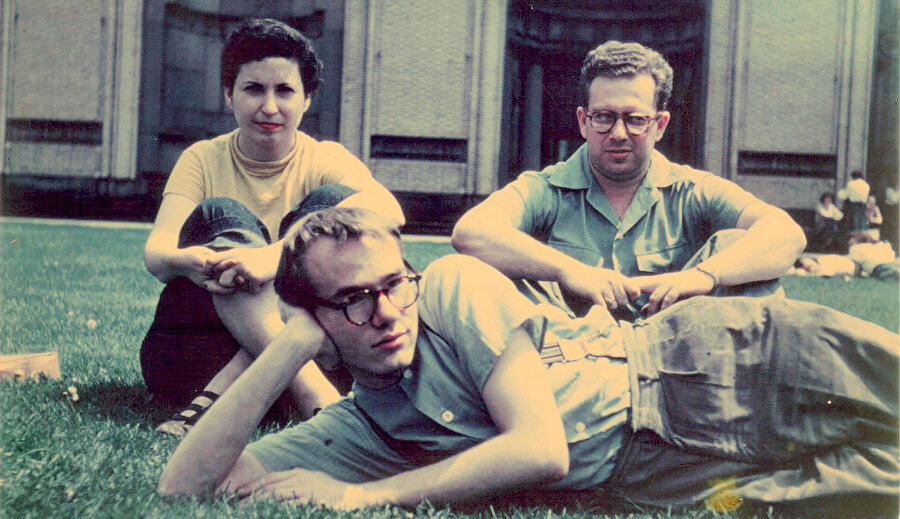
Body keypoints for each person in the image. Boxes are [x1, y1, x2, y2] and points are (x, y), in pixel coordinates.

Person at [157, 207, 898, 511]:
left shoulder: (447, 286)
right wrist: (286, 344)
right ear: (317, 316)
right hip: (669, 476)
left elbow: (539, 449)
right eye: (352, 300)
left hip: (714, 361)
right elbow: (184, 486)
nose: (385, 312)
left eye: (391, 285)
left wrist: (362, 497)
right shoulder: (359, 429)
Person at [141, 18, 404, 436]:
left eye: (284, 90)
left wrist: (269, 260)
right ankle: (311, 396)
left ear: (306, 99)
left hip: (317, 356)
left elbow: (388, 210)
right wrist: (191, 260)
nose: (269, 107)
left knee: (331, 205)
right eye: (253, 89)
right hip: (198, 352)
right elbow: (156, 254)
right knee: (220, 215)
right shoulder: (201, 159)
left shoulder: (323, 158)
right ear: (229, 95)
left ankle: (238, 392)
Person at [451, 41, 805, 320]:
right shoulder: (545, 190)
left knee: (737, 248)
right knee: (461, 275)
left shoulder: (693, 191)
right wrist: (569, 271)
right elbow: (471, 232)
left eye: (636, 119)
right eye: (604, 117)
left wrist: (702, 276)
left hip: (674, 356)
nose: (618, 133)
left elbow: (786, 234)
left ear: (660, 125)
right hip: (571, 356)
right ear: (582, 122)